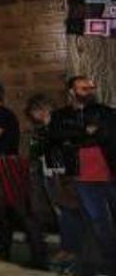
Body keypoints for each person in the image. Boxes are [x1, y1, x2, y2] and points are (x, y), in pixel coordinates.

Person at [0, 80, 47, 268]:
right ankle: (2, 249)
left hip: (6, 164)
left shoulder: (4, 114)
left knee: (21, 210)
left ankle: (39, 257)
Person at [50, 76, 116, 274]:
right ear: (72, 91)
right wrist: (86, 133)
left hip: (110, 172)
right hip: (82, 177)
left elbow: (105, 135)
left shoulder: (105, 111)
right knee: (98, 221)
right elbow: (57, 137)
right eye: (83, 88)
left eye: (90, 87)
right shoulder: (60, 115)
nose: (89, 90)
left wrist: (77, 138)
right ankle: (111, 261)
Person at [25, 94, 85, 274]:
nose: (33, 116)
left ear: (41, 109)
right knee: (62, 213)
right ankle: (68, 249)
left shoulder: (58, 124)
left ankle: (75, 251)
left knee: (68, 213)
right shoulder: (45, 127)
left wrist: (59, 174)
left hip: (60, 174)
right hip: (52, 172)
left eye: (33, 112)